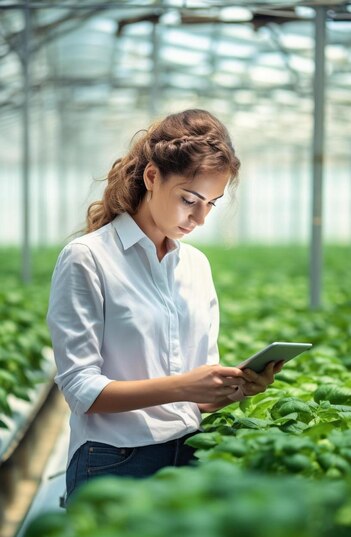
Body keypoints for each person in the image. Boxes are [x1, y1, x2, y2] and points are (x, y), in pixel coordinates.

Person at [47, 109, 282, 502]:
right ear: (152, 177)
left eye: (212, 203)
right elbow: (81, 389)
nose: (200, 217)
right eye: (190, 199)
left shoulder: (196, 266)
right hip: (113, 463)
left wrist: (237, 389)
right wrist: (184, 385)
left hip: (189, 453)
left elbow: (198, 399)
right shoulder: (87, 257)